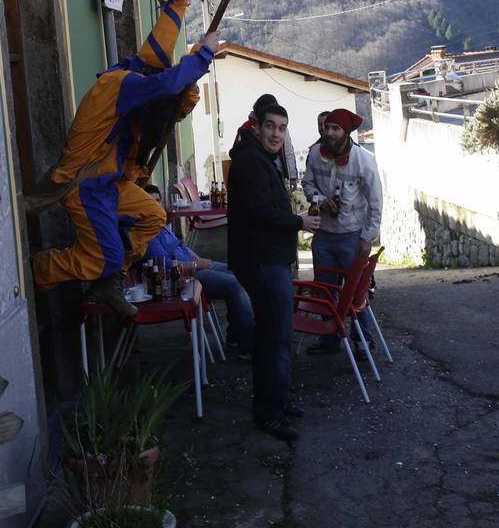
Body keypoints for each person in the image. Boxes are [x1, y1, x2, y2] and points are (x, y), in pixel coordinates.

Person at [31, 0, 213, 318]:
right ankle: (43, 269)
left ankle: (109, 275)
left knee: (152, 216)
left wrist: (187, 25)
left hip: (110, 185)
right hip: (85, 188)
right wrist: (202, 57)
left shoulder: (137, 91)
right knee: (106, 254)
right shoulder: (121, 86)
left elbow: (177, 98)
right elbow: (167, 87)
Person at [228, 104, 321, 441]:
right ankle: (269, 412)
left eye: (282, 128)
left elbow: (267, 207)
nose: (276, 134)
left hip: (268, 260)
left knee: (275, 336)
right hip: (262, 262)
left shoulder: (259, 159)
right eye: (271, 126)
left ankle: (277, 400)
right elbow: (260, 213)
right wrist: (300, 221)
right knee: (274, 338)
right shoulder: (250, 161)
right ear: (256, 127)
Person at [302, 108, 383, 355]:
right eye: (327, 127)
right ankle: (329, 339)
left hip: (351, 235)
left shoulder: (364, 160)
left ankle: (363, 341)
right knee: (324, 289)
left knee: (355, 291)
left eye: (335, 128)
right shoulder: (315, 154)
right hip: (324, 234)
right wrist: (320, 199)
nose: (329, 132)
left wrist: (367, 238)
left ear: (346, 132)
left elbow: (376, 202)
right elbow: (307, 184)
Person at [142, 185, 254, 357]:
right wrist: (197, 265)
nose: (155, 205)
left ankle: (235, 335)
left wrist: (198, 258)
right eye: (150, 202)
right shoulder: (146, 234)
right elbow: (166, 267)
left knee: (241, 272)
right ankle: (248, 346)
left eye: (157, 201)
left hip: (195, 264)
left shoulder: (160, 224)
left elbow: (182, 246)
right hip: (185, 278)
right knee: (234, 284)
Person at [233, 93, 298, 185]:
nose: (275, 134)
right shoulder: (246, 129)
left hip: (277, 174)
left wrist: (292, 176)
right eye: (269, 126)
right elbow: (237, 153)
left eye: (281, 128)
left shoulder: (281, 129)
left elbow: (288, 152)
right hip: (254, 175)